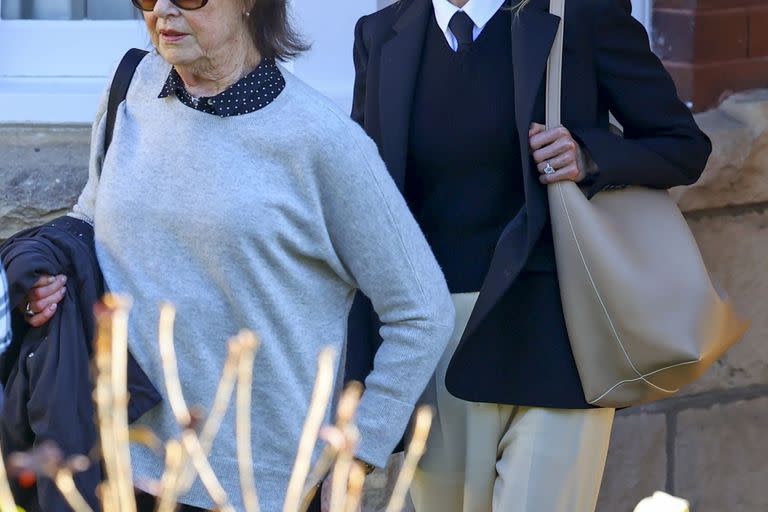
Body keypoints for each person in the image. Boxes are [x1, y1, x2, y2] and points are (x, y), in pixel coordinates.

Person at [19, 0, 455, 510]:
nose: (161, 10)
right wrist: (46, 277)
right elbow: (93, 213)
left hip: (258, 488)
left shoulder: (323, 142)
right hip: (118, 465)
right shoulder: (130, 86)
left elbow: (423, 312)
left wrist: (355, 455)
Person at [347, 0, 712, 511]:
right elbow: (365, 213)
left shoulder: (581, 14)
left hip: (558, 331)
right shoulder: (381, 34)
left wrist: (590, 155)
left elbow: (683, 145)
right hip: (438, 345)